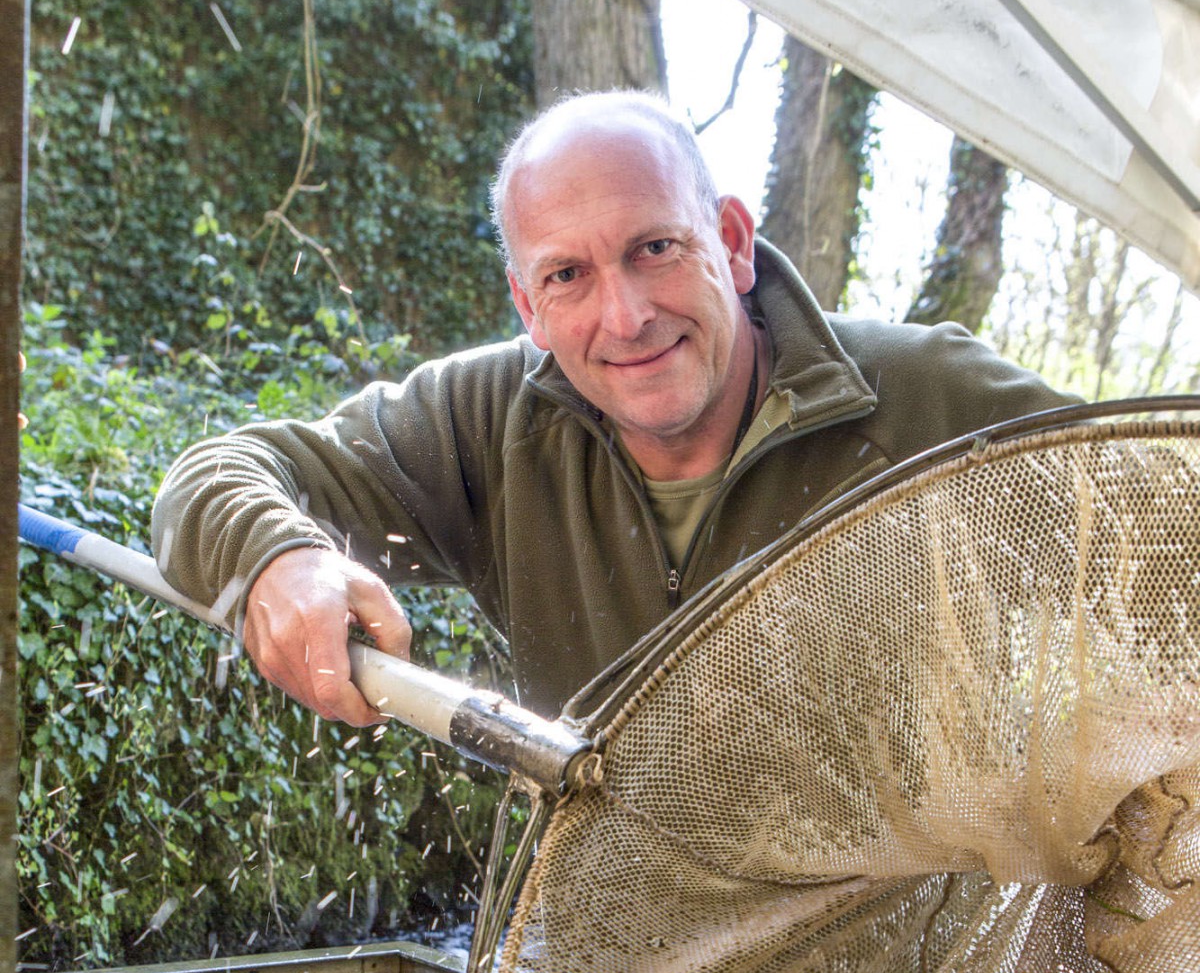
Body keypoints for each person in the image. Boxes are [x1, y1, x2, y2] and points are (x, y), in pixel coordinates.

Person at [152, 90, 1068, 722]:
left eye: (655, 248)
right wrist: (274, 554)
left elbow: (1142, 514)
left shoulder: (921, 398)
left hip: (904, 954)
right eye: (567, 275)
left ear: (732, 242)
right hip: (604, 939)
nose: (625, 317)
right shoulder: (489, 422)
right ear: (528, 306)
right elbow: (214, 473)